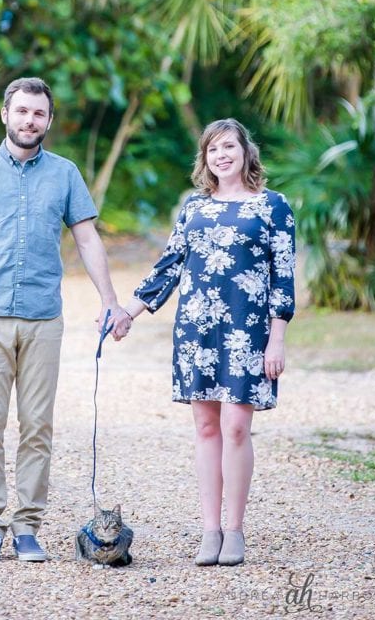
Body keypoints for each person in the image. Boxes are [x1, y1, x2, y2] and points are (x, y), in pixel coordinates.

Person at [0, 76, 131, 564]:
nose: (30, 120)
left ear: (48, 119)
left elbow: (88, 240)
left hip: (44, 319)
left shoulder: (65, 173)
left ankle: (27, 527)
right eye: (22, 111)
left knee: (37, 427)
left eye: (39, 113)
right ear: (5, 114)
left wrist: (110, 300)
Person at [121, 118, 295, 567]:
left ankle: (234, 530)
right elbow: (168, 267)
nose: (222, 155)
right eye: (213, 148)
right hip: (198, 331)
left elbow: (283, 279)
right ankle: (210, 530)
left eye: (230, 146)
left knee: (237, 426)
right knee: (205, 428)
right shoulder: (194, 210)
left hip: (248, 331)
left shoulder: (273, 207)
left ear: (245, 152)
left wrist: (277, 339)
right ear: (205, 157)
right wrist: (128, 313)